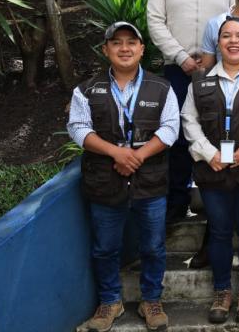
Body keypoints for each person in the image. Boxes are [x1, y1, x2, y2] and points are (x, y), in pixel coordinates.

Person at [68, 22, 179, 332]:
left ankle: (152, 300)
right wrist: (115, 153)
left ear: (143, 49)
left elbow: (170, 129)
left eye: (132, 42)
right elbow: (78, 128)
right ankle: (110, 302)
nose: (125, 48)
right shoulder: (86, 89)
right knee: (105, 247)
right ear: (106, 50)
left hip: (150, 181)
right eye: (117, 43)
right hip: (105, 181)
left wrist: (136, 156)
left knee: (153, 247)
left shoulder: (162, 88)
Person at [180, 17, 239, 325]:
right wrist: (210, 154)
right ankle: (222, 292)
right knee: (219, 232)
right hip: (212, 171)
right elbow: (188, 121)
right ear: (218, 42)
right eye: (226, 36)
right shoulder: (201, 80)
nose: (233, 41)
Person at [147, 0, 234, 229]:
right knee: (179, 135)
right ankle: (178, 202)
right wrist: (181, 56)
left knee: (220, 131)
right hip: (177, 69)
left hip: (220, 70)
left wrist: (216, 57)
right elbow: (154, 21)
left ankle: (219, 203)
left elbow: (236, 21)